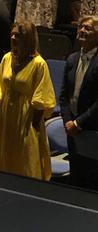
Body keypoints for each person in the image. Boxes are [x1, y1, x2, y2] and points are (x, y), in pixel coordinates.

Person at [0, 21, 56, 180]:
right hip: (6, 114)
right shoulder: (7, 58)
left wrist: (35, 123)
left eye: (17, 35)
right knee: (4, 152)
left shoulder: (39, 64)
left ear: (28, 38)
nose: (13, 38)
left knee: (25, 156)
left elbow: (43, 93)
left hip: (26, 116)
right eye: (12, 34)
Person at [59, 15, 98, 190]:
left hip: (92, 129)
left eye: (88, 28)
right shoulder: (72, 59)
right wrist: (68, 121)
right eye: (81, 27)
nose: (82, 30)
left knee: (91, 181)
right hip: (72, 129)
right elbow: (63, 96)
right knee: (75, 176)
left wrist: (78, 123)